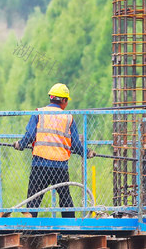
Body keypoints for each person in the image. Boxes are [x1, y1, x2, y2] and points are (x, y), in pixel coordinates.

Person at [13, 83, 94, 218]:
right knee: (65, 199)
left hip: (40, 164)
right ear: (63, 100)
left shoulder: (39, 113)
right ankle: (70, 228)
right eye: (66, 100)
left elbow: (30, 135)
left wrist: (20, 144)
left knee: (33, 199)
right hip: (60, 166)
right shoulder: (68, 118)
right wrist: (87, 152)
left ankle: (30, 229)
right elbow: (75, 144)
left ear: (51, 98)